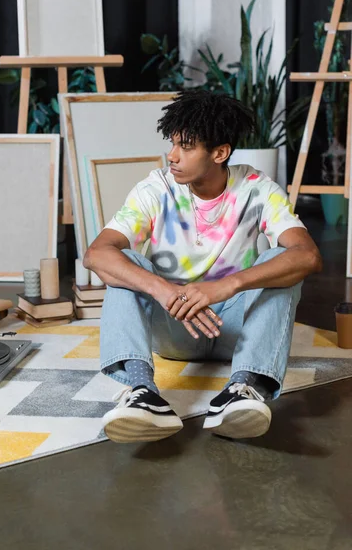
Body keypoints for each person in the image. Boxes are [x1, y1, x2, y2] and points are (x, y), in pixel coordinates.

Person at [84, 90, 322, 444]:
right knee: (124, 264)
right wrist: (164, 290)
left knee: (280, 261)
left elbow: (308, 255)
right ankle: (142, 392)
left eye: (186, 146)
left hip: (235, 328)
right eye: (172, 143)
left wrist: (226, 286)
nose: (172, 155)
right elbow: (96, 254)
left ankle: (243, 388)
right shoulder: (156, 188)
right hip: (174, 326)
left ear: (220, 152)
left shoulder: (255, 188)